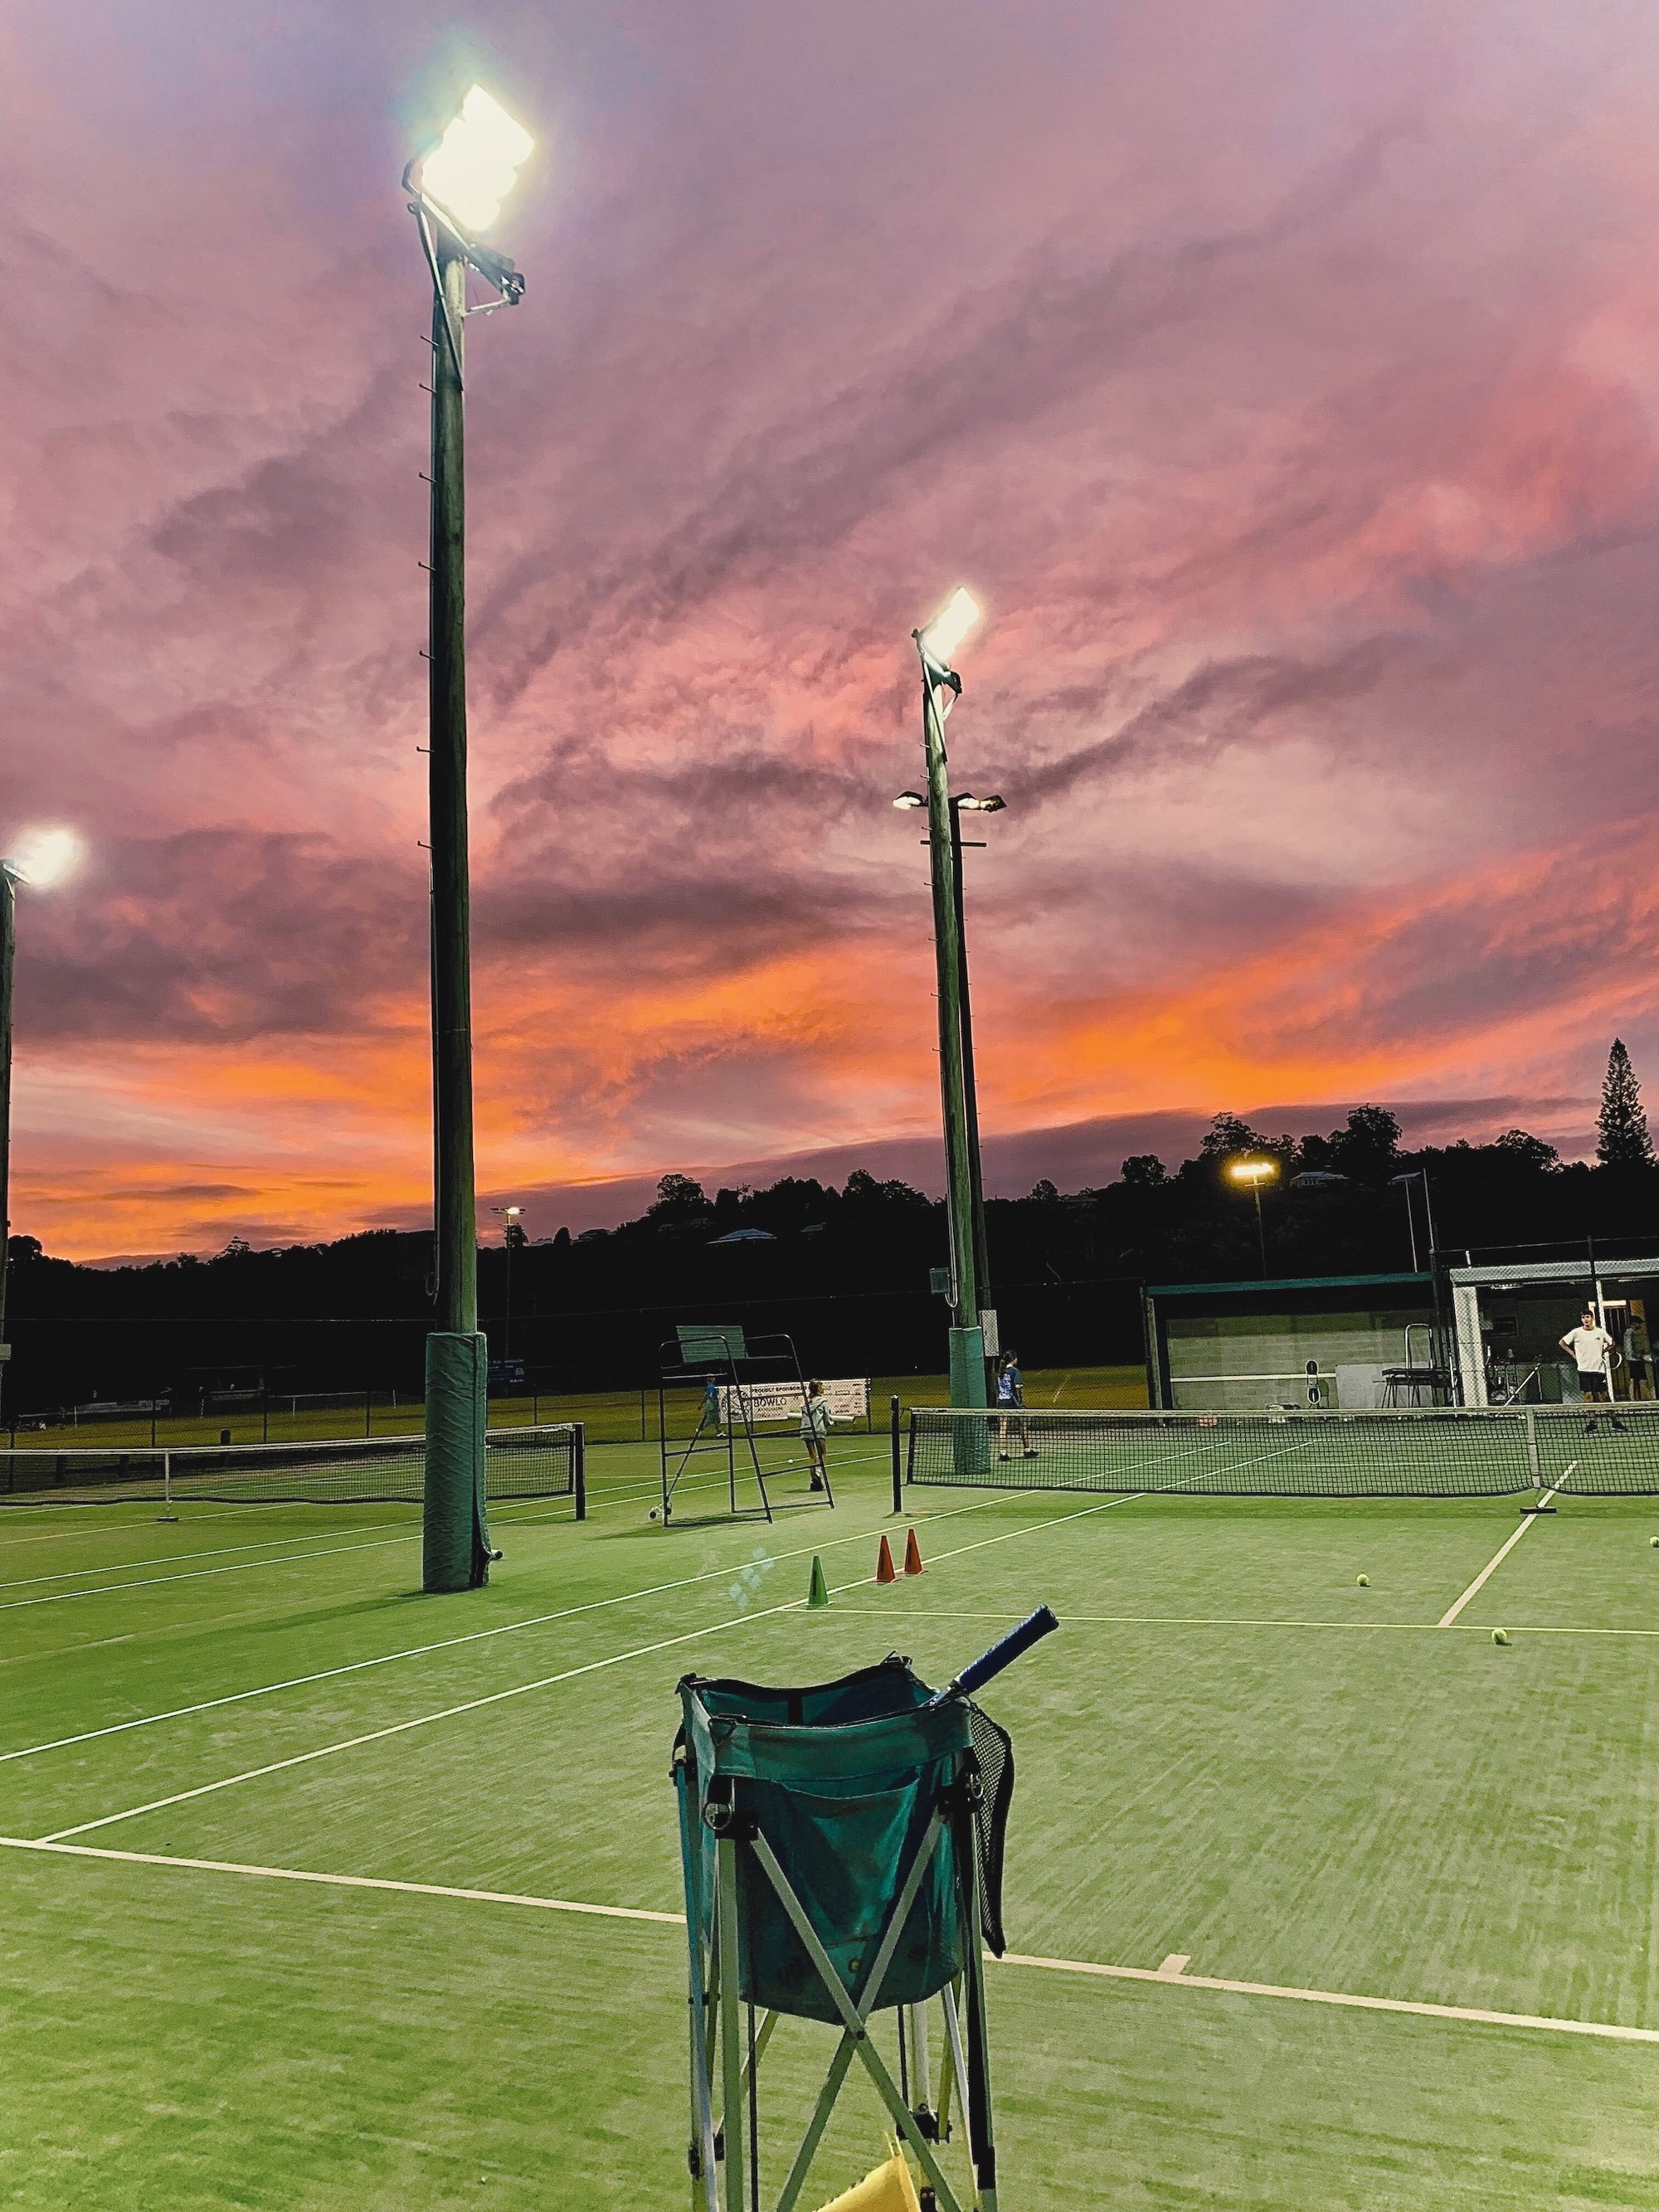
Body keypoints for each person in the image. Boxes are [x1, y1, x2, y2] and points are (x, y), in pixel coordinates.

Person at [1559, 1310, 1626, 1434]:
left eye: (1588, 1317)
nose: (1586, 1319)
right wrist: (1573, 1354)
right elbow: (1562, 1343)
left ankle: (1615, 1422)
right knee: (1588, 1397)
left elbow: (1612, 1343)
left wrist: (1604, 1351)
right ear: (1581, 1319)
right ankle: (1592, 1423)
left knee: (1604, 1396)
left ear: (1592, 1318)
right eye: (1583, 1317)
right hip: (1583, 1370)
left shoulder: (1600, 1332)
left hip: (1598, 1370)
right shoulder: (1576, 1332)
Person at [995, 1350, 1037, 1460]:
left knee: (1003, 1428)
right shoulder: (1014, 1371)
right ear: (1013, 1359)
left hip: (1002, 1402)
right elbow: (1018, 1386)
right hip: (1014, 1402)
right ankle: (1027, 1450)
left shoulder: (1000, 1372)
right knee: (1022, 1426)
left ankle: (1003, 1453)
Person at [800, 1379, 834, 1490]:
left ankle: (814, 1482)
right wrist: (832, 1423)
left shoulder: (806, 1404)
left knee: (812, 1456)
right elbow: (827, 1419)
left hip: (806, 1430)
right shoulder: (823, 1402)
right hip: (818, 1430)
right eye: (821, 1386)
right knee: (823, 1452)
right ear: (818, 1389)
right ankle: (818, 1474)